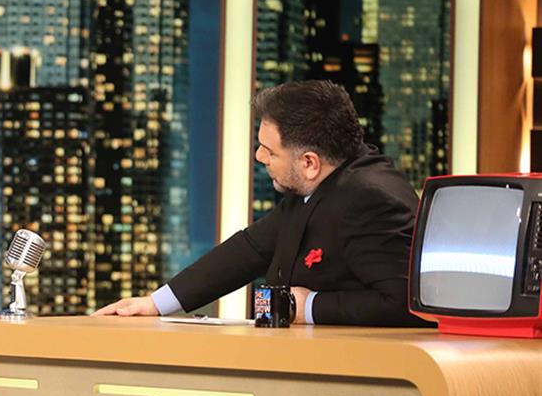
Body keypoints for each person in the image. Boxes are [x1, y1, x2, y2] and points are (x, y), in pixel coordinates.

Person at [95, 80, 428, 326]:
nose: (259, 157)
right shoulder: (320, 183)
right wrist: (155, 303)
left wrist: (308, 307)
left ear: (309, 163)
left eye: (269, 151)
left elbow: (406, 305)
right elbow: (250, 249)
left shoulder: (371, 199)